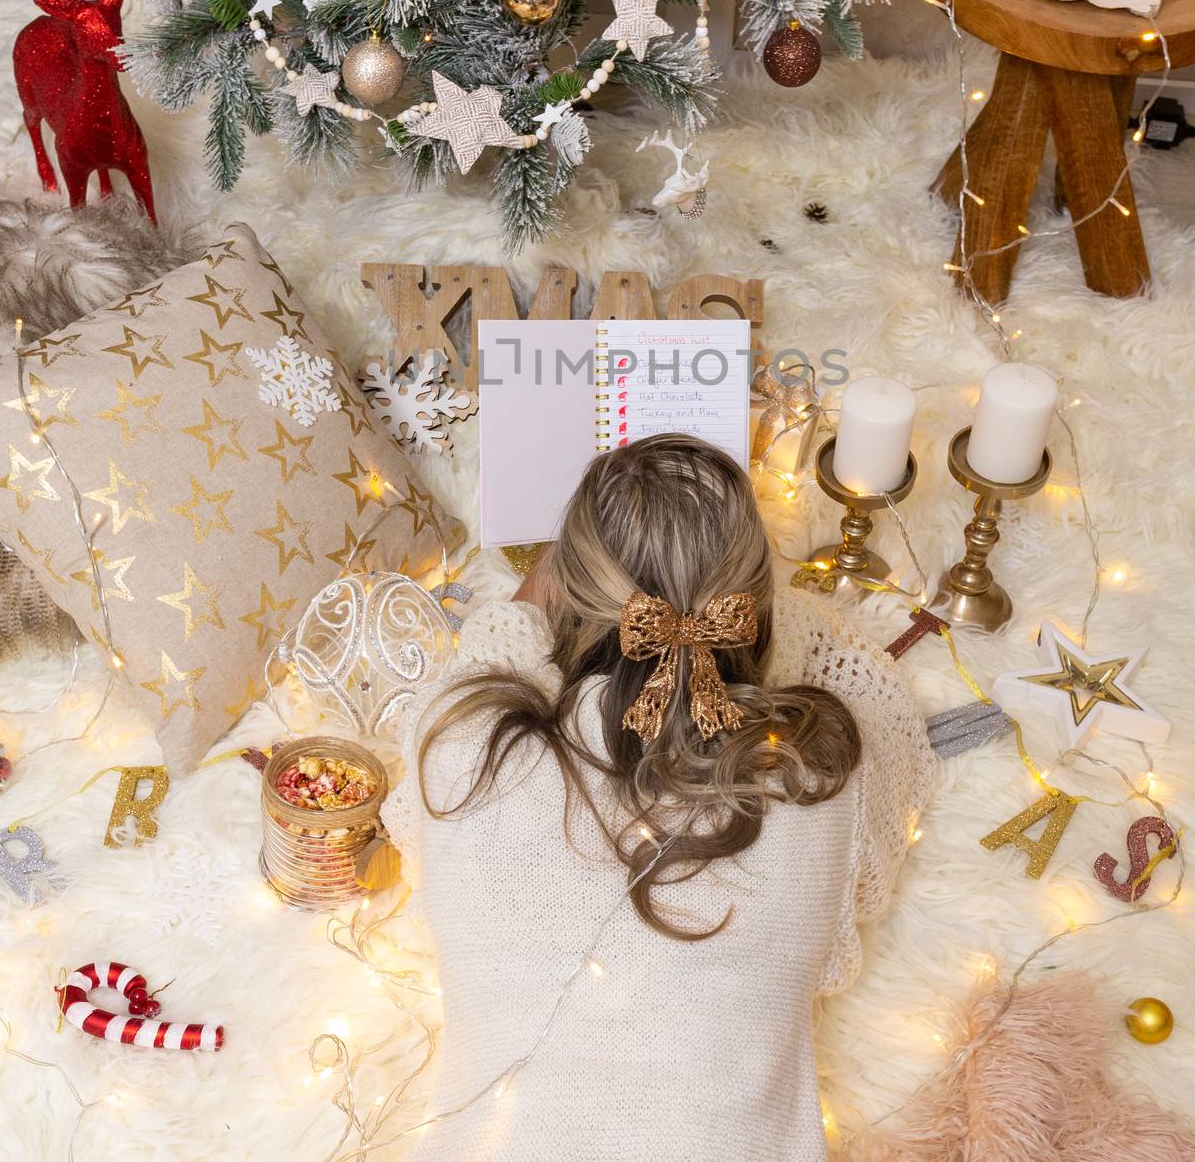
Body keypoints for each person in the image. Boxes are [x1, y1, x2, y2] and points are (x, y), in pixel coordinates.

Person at [382, 433, 933, 1161]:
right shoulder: (824, 768)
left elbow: (499, 636)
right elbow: (854, 906)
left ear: (569, 590)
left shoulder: (457, 741)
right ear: (753, 605)